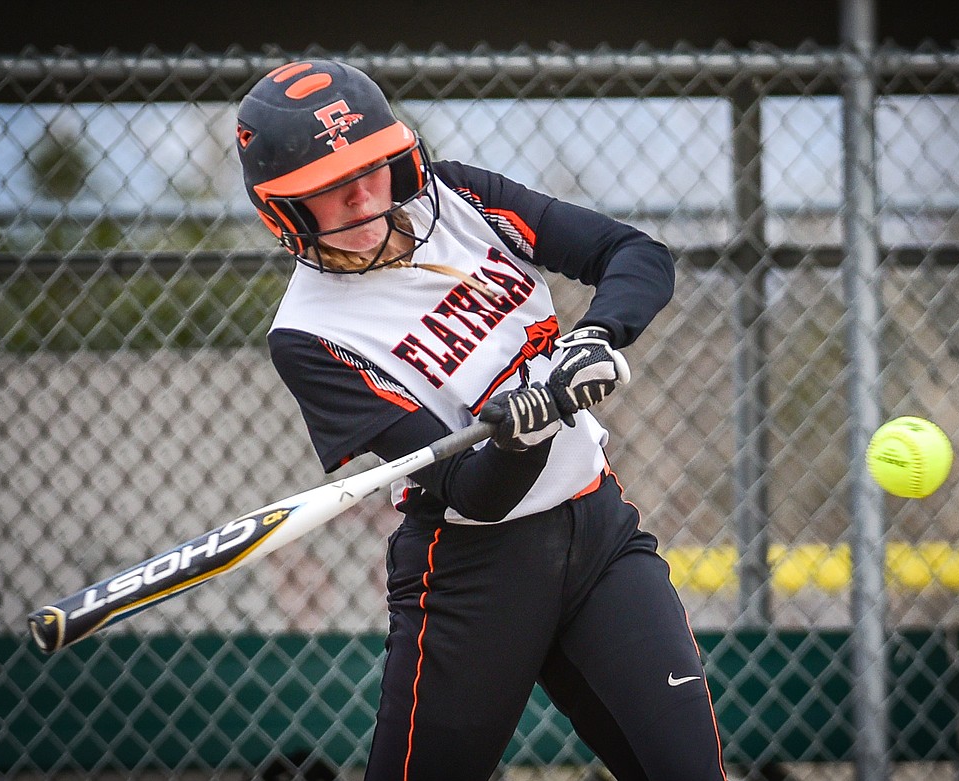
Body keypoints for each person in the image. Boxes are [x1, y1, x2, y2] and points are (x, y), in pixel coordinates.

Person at [236, 59, 727, 781]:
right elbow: (471, 490)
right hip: (470, 578)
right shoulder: (308, 335)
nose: (366, 196)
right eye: (331, 191)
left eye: (374, 167)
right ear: (285, 213)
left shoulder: (461, 197)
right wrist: (524, 432)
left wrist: (596, 336)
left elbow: (635, 254)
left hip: (597, 533)